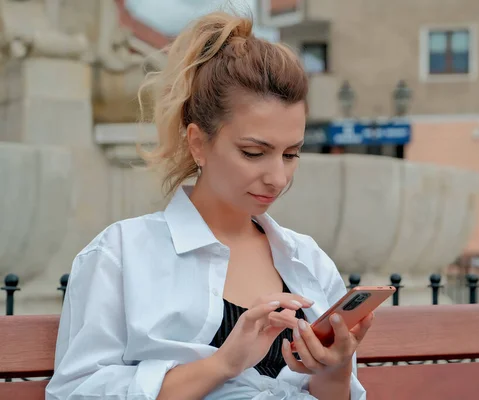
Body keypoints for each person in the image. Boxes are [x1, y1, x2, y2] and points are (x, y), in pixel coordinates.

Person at [45, 11, 372, 400]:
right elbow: (76, 393)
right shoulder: (122, 254)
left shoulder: (309, 261)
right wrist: (224, 363)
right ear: (198, 143)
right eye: (254, 152)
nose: (278, 178)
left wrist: (334, 369)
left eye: (291, 154)